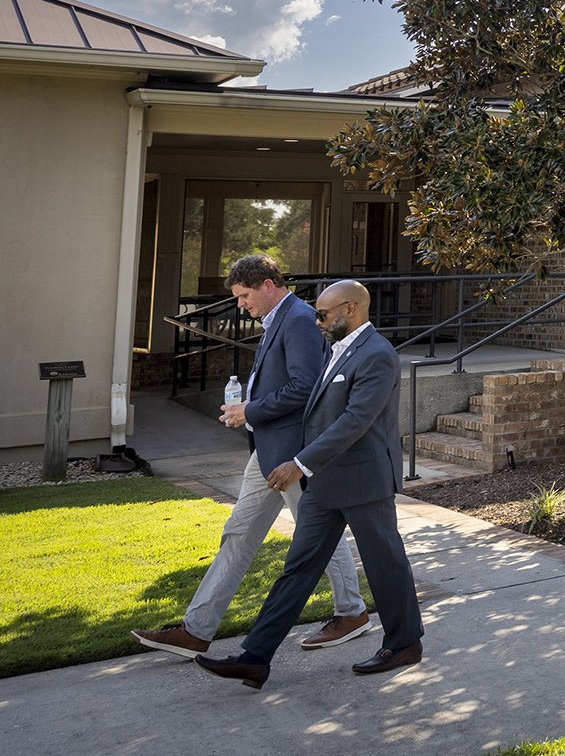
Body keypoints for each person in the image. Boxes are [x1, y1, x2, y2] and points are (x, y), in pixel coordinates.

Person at [130, 256, 370, 661]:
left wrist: (251, 411)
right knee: (239, 535)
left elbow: (307, 386)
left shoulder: (295, 318)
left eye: (244, 296)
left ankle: (352, 612)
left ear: (267, 284)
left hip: (291, 455)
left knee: (318, 535)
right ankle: (196, 630)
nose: (241, 304)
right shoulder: (280, 317)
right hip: (268, 453)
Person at [195, 281, 425, 689]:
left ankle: (404, 643)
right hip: (326, 482)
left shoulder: (377, 355)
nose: (316, 321)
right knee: (298, 568)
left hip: (364, 479)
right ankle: (255, 658)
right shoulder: (337, 350)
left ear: (350, 310)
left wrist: (299, 464)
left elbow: (354, 421)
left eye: (323, 314)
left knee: (384, 563)